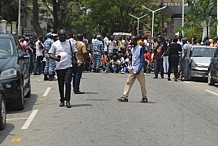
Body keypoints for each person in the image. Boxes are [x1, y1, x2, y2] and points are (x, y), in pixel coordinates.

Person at [49, 29, 77, 108]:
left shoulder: (70, 43)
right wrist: (55, 58)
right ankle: (62, 100)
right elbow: (50, 54)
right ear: (58, 36)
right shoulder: (55, 44)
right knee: (60, 84)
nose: (63, 36)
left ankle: (67, 100)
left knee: (67, 83)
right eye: (61, 35)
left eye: (64, 35)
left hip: (68, 66)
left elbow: (74, 52)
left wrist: (77, 60)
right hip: (59, 67)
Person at [117, 36, 148, 103]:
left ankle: (144, 97)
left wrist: (139, 69)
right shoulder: (132, 49)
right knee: (128, 82)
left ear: (136, 41)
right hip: (132, 68)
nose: (131, 42)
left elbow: (142, 60)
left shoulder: (140, 48)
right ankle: (125, 96)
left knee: (142, 84)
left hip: (139, 69)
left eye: (133, 40)